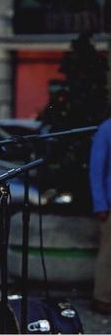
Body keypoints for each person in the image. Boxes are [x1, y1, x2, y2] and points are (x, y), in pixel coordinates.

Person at [89, 118, 111, 315]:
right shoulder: (106, 129)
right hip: (110, 204)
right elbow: (96, 170)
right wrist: (100, 204)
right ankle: (103, 298)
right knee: (108, 254)